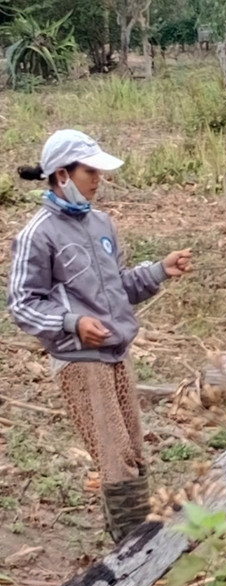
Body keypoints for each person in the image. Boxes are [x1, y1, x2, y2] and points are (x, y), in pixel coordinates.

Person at [8, 129, 192, 543]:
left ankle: (135, 543)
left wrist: (160, 270)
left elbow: (118, 287)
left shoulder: (101, 223)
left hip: (115, 351)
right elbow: (22, 304)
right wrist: (73, 323)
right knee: (115, 456)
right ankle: (131, 551)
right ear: (61, 175)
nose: (98, 180)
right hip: (78, 360)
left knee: (133, 451)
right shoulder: (39, 233)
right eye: (90, 171)